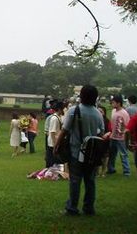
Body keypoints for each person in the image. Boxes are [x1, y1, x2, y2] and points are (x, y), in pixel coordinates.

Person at [55, 84, 104, 216]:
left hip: (76, 152)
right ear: (95, 98)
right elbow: (101, 133)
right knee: (90, 181)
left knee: (75, 181)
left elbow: (64, 131)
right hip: (92, 154)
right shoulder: (98, 114)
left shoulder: (74, 111)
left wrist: (56, 146)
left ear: (81, 96)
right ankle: (89, 208)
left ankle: (72, 208)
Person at [107, 94, 131, 176]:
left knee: (123, 154)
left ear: (118, 103)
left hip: (121, 137)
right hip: (113, 136)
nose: (112, 104)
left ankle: (127, 171)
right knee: (112, 153)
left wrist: (124, 133)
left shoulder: (124, 113)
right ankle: (111, 169)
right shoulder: (113, 111)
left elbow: (127, 125)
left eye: (113, 102)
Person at [47, 101, 64, 167]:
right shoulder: (54, 118)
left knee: (55, 160)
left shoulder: (58, 117)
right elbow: (52, 132)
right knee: (52, 160)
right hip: (53, 142)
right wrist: (55, 145)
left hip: (56, 141)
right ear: (59, 109)